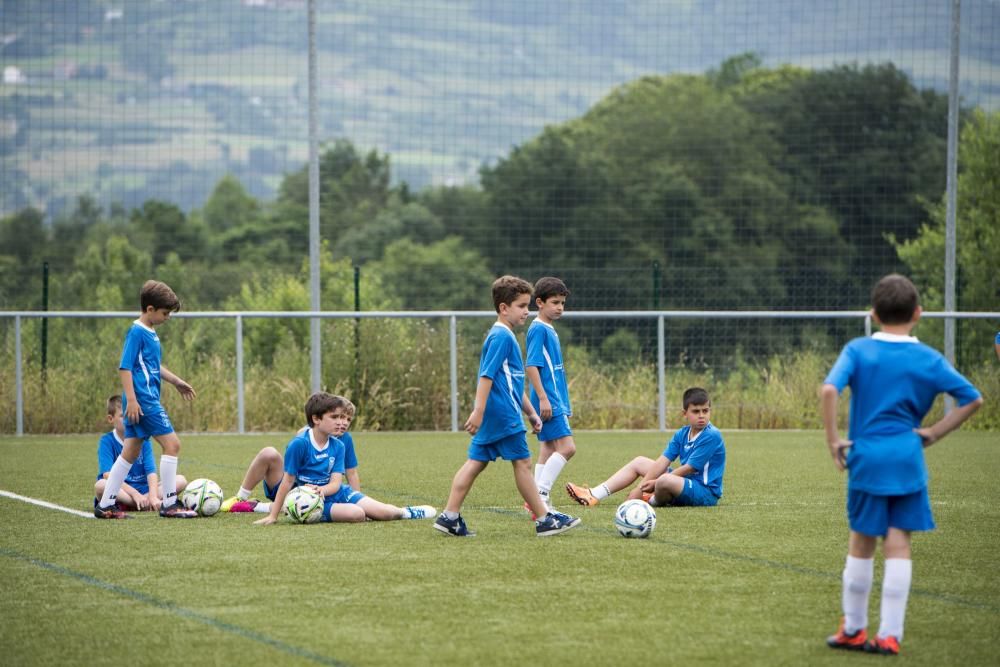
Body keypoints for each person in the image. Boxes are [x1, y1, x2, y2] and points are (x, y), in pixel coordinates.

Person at [822, 274, 982, 656]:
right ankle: (890, 634)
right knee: (899, 544)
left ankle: (854, 629)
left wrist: (832, 441)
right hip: (908, 458)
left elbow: (829, 389)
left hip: (867, 458)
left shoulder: (858, 350)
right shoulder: (928, 357)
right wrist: (933, 433)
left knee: (862, 541)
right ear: (919, 314)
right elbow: (972, 398)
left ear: (874, 314)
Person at [433, 275, 582, 537]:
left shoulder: (504, 336)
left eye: (527, 306)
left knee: (475, 463)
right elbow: (486, 376)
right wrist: (478, 411)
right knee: (523, 462)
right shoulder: (501, 337)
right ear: (504, 308)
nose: (527, 312)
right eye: (522, 306)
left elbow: (512, 382)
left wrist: (532, 412)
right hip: (502, 414)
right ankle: (544, 518)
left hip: (498, 413)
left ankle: (449, 516)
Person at [95, 280, 199, 519]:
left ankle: (106, 504)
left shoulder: (150, 333)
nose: (168, 317)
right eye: (165, 313)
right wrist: (131, 400)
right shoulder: (137, 331)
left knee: (130, 451)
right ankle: (170, 504)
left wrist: (176, 382)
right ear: (150, 309)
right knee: (172, 445)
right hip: (144, 400)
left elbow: (153, 366)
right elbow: (125, 367)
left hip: (143, 400)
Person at [253, 393, 435, 525]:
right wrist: (273, 516)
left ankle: (406, 512)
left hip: (334, 492)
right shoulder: (299, 443)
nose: (341, 422)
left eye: (343, 418)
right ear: (316, 419)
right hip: (311, 499)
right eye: (334, 417)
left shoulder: (339, 445)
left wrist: (322, 490)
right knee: (357, 514)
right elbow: (287, 481)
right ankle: (265, 508)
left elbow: (336, 483)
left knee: (385, 513)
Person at [565, 387, 725, 508]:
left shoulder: (712, 435)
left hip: (705, 492)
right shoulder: (682, 434)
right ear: (685, 413)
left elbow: (689, 468)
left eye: (705, 411)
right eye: (696, 411)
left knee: (664, 480)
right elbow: (662, 461)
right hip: (683, 483)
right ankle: (594, 495)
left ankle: (649, 501)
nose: (702, 416)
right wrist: (640, 487)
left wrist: (651, 484)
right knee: (640, 462)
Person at [523, 276, 575, 518]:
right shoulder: (538, 329)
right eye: (555, 302)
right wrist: (543, 398)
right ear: (539, 302)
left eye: (563, 303)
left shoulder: (548, 329)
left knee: (548, 447)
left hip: (555, 398)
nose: (560, 307)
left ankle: (532, 501)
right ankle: (540, 498)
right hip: (549, 400)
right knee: (567, 447)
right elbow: (531, 366)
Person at [94, 394, 188, 512]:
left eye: (130, 414)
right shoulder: (106, 441)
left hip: (145, 491)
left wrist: (153, 496)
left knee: (180, 480)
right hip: (121, 490)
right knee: (101, 485)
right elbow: (107, 475)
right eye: (123, 416)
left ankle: (143, 502)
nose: (128, 419)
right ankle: (138, 503)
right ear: (110, 419)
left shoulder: (143, 438)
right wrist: (134, 494)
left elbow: (151, 471)